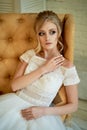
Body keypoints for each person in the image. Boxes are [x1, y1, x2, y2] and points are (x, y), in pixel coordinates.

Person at [0, 10, 80, 130]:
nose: (47, 37)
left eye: (52, 32)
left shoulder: (67, 67)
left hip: (42, 114)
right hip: (14, 104)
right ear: (37, 35)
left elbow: (73, 106)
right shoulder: (30, 55)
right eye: (42, 33)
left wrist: (43, 111)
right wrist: (43, 69)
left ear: (58, 33)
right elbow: (14, 86)